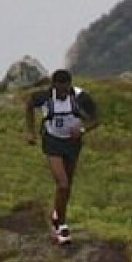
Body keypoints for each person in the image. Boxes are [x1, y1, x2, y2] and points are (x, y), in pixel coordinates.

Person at [24, 68, 99, 245]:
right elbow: (29, 105)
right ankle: (60, 224)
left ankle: (58, 214)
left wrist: (82, 129)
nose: (63, 94)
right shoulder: (44, 97)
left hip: (73, 143)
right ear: (54, 86)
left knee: (67, 187)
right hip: (52, 141)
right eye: (60, 90)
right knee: (62, 183)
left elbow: (96, 119)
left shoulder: (80, 97)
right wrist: (30, 132)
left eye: (66, 89)